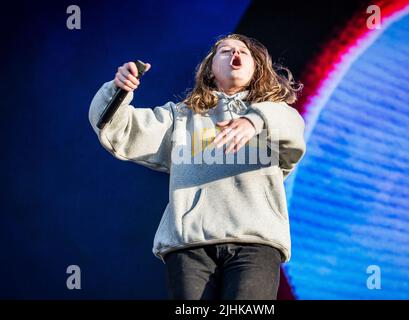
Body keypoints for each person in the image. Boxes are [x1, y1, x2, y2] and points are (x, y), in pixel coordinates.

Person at [88, 33, 306, 300]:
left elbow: (294, 131)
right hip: (191, 246)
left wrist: (254, 120)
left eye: (243, 52)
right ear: (210, 71)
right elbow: (117, 129)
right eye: (225, 51)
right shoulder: (180, 118)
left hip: (256, 243)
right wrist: (118, 89)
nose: (235, 55)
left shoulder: (275, 116)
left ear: (256, 71)